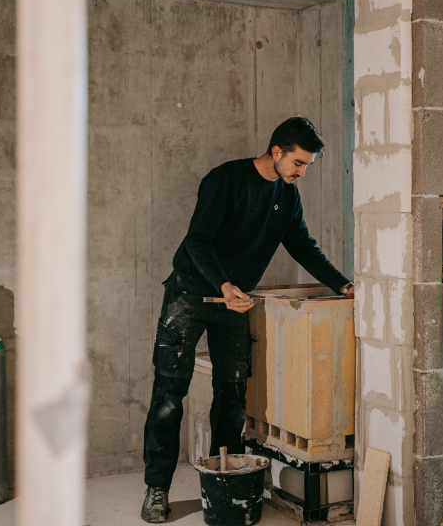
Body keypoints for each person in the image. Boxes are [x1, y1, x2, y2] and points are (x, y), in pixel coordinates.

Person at [141, 117, 354, 523]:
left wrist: (344, 287)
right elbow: (197, 239)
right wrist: (222, 285)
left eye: (307, 165)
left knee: (233, 398)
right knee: (169, 398)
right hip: (190, 294)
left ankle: (222, 480)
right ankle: (156, 488)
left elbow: (303, 247)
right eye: (298, 163)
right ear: (276, 151)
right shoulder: (225, 180)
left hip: (234, 303)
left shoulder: (287, 196)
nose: (301, 172)